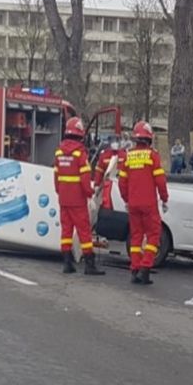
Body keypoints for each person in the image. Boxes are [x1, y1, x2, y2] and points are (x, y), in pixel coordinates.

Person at [119, 121, 169, 285]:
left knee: (136, 237)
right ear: (149, 139)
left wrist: (126, 199)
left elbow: (122, 182)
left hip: (133, 203)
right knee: (154, 235)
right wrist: (165, 197)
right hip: (148, 204)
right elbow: (160, 180)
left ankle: (134, 269)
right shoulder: (152, 156)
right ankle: (145, 269)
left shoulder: (128, 156)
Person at [53, 117, 104, 276]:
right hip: (78, 200)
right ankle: (89, 265)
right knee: (84, 232)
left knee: (66, 232)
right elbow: (84, 179)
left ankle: (67, 263)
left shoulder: (59, 152)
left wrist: (60, 192)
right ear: (80, 135)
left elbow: (56, 178)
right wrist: (90, 194)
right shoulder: (80, 154)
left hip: (64, 199)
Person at [93, 137, 124, 211]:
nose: (115, 144)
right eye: (113, 142)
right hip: (107, 185)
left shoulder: (124, 155)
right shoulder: (104, 155)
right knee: (107, 205)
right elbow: (99, 171)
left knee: (120, 206)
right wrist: (96, 185)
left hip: (120, 184)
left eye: (117, 141)